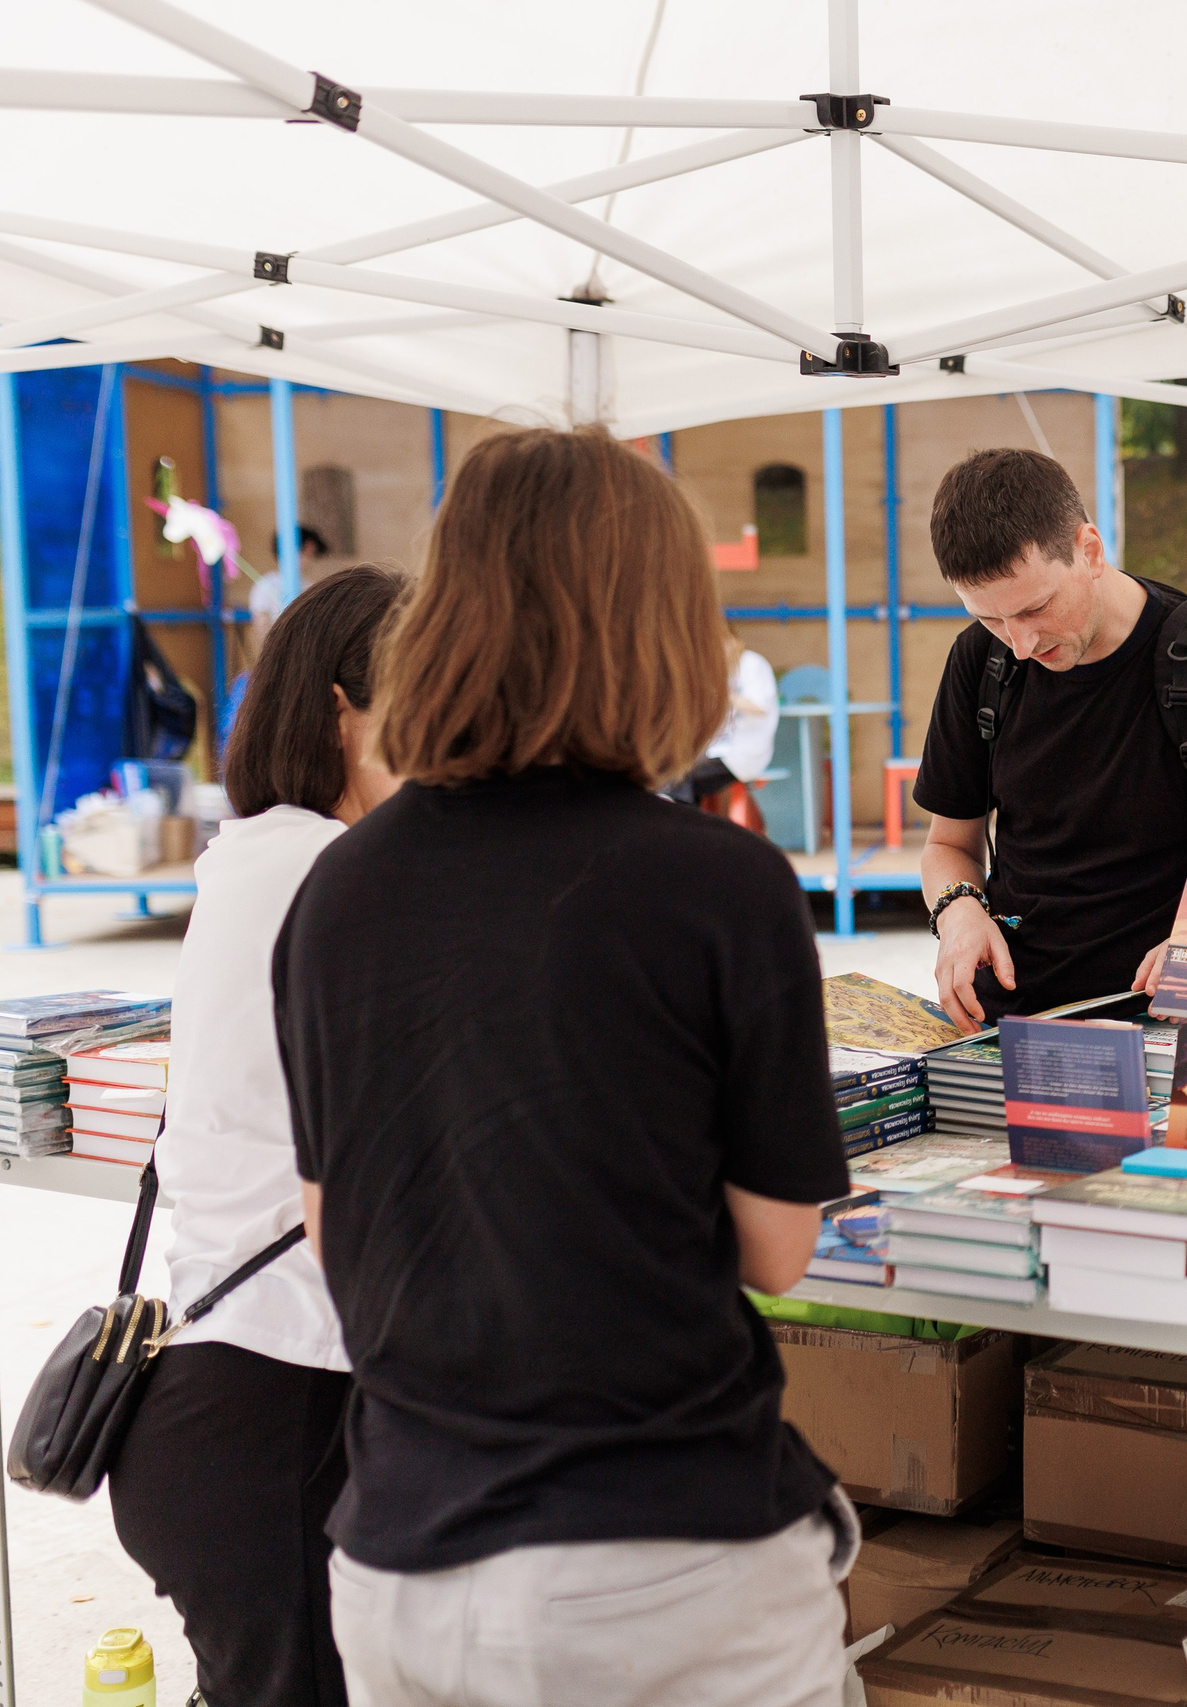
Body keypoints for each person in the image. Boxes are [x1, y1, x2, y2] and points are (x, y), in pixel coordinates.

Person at [273, 428, 852, 1707]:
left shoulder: (334, 892)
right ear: (662, 624)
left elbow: (335, 1230)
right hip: (666, 1557)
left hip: (401, 1561)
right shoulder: (719, 884)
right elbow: (777, 1250)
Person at [108, 564, 407, 1707]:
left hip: (237, 1405)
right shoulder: (324, 867)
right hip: (273, 1415)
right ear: (342, 706)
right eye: (425, 709)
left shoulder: (261, 850)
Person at [913, 448, 1187, 1023]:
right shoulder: (980, 660)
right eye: (990, 618)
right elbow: (948, 846)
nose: (1019, 643)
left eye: (1036, 607)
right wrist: (959, 910)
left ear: (1089, 550)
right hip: (1022, 1028)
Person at [670, 629, 780, 832]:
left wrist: (725, 695)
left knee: (682, 776)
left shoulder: (751, 664)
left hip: (743, 753)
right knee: (674, 771)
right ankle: (689, 828)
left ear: (734, 640)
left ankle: (685, 831)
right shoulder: (723, 670)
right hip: (721, 750)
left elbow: (760, 707)